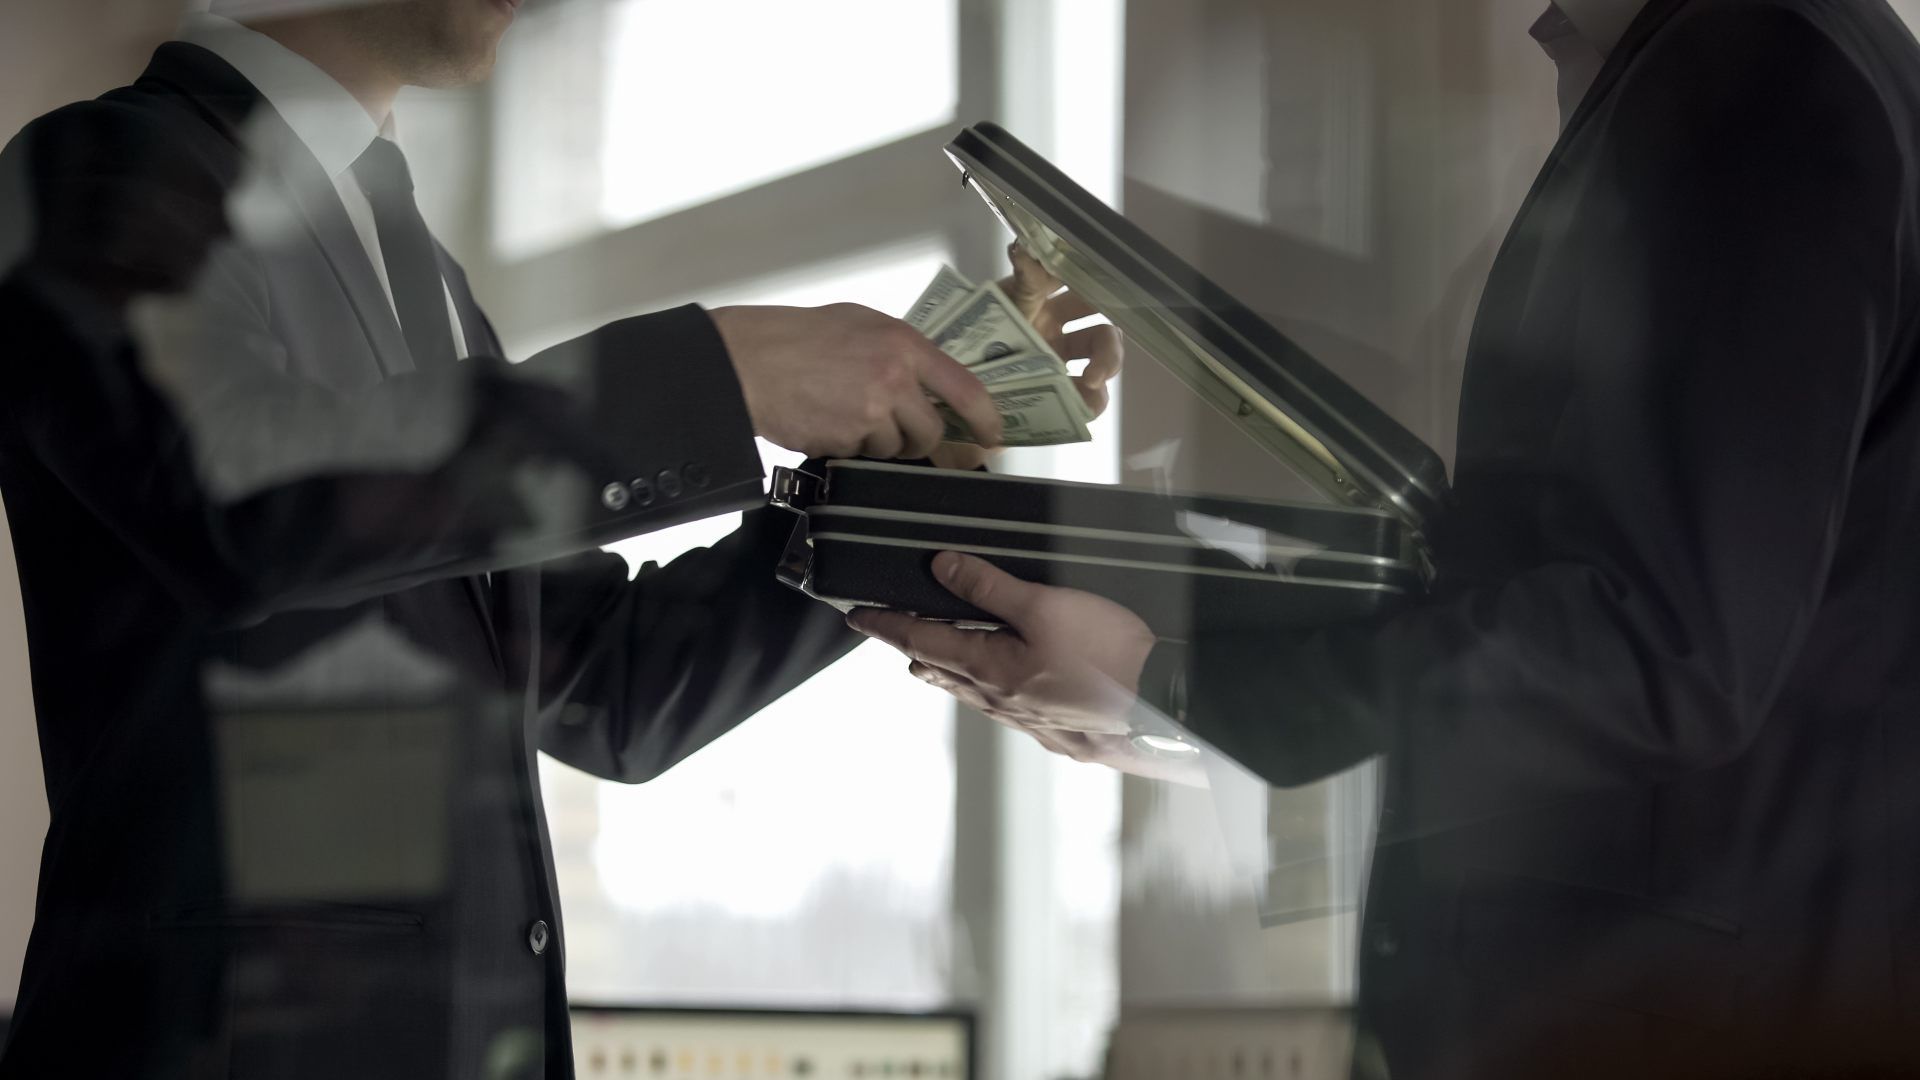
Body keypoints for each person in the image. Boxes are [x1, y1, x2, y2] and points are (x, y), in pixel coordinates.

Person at [0, 2, 1119, 1078]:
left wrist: (916, 460)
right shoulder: (91, 167)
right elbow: (231, 495)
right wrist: (717, 371)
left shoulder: (420, 271)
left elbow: (610, 686)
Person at [852, 0, 1920, 1076]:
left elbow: (1662, 651)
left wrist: (1179, 690)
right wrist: (1178, 708)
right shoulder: (1734, 64)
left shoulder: (1760, 70)